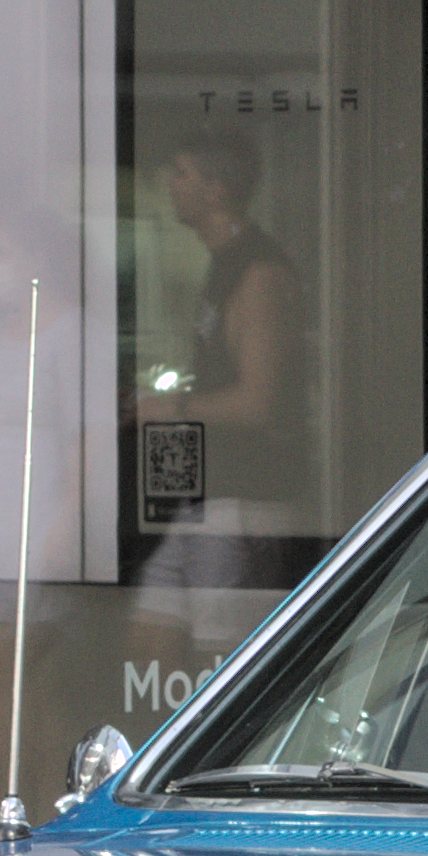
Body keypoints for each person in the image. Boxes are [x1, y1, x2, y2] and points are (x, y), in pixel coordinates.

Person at [127, 128, 302, 664]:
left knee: (221, 662)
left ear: (215, 189)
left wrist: (170, 408)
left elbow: (258, 402)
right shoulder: (222, 265)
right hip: (201, 496)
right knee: (149, 641)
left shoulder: (259, 272)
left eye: (181, 173)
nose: (169, 184)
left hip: (242, 500)